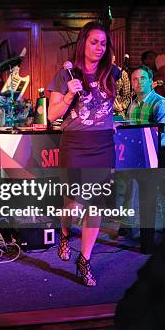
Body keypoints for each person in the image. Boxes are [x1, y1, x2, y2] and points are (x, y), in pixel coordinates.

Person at [47, 21, 120, 286]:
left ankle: (85, 260)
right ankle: (65, 231)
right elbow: (52, 114)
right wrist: (68, 96)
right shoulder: (67, 74)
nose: (99, 48)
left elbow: (117, 103)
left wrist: (116, 119)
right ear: (83, 43)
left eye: (103, 43)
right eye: (94, 42)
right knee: (74, 203)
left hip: (103, 144)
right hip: (75, 144)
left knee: (95, 204)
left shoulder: (112, 72)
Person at [128, 65, 165, 148]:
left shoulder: (161, 103)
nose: (139, 82)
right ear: (131, 84)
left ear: (151, 81)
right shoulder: (133, 104)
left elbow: (160, 133)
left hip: (162, 150)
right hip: (143, 149)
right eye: (135, 79)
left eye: (143, 78)